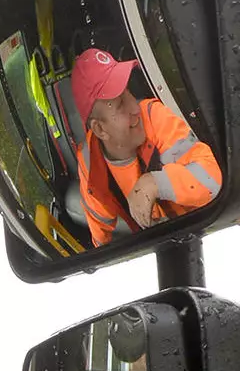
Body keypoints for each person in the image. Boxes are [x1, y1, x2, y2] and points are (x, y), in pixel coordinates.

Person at [68, 47, 224, 247]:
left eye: (128, 92)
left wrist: (155, 182)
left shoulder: (154, 116)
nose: (135, 107)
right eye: (120, 104)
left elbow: (213, 178)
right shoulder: (90, 162)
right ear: (99, 129)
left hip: (205, 234)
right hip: (157, 249)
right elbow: (100, 233)